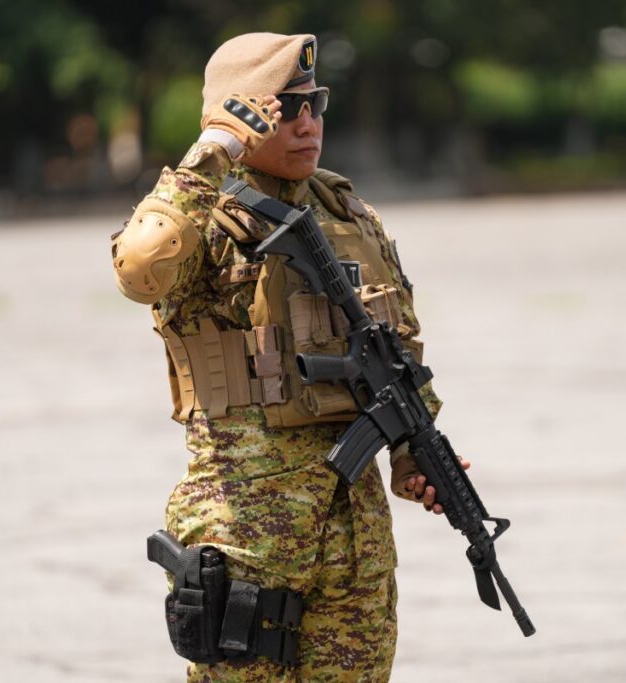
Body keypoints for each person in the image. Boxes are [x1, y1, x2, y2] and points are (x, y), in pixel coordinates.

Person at [111, 32, 465, 682]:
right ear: (237, 116)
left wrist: (413, 452)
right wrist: (214, 148)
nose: (308, 124)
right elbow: (139, 267)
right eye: (284, 110)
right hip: (247, 531)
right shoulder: (199, 216)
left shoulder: (347, 213)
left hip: (355, 536)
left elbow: (398, 344)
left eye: (316, 104)